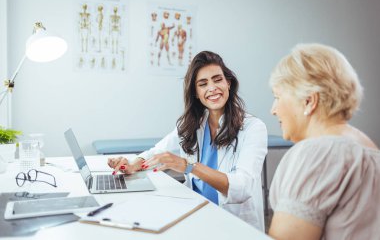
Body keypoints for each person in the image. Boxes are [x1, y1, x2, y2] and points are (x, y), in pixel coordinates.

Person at [108, 51, 268, 230]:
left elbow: (242, 188)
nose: (212, 88)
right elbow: (158, 152)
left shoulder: (253, 128)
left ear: (228, 83)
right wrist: (132, 164)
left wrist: (189, 166)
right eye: (203, 84)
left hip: (233, 225)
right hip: (197, 216)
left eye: (217, 79)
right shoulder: (192, 124)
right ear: (196, 93)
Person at [268, 43, 380, 240]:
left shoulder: (318, 153)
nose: (273, 109)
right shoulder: (368, 148)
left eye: (277, 97)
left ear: (309, 101)